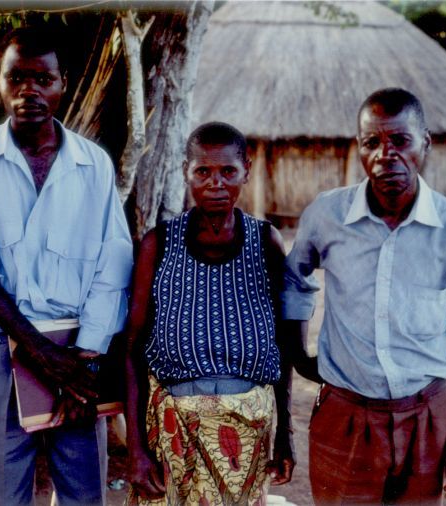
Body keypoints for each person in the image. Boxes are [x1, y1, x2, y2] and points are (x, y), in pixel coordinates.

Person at [0, 27, 132, 505]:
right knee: (7, 493)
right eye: (17, 78)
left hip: (79, 352)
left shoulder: (93, 165)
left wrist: (82, 357)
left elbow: (114, 263)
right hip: (3, 348)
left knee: (85, 491)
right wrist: (40, 352)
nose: (30, 91)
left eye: (42, 79)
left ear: (62, 84)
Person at [284, 88, 446, 505]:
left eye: (400, 141)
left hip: (430, 416)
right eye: (372, 143)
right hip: (346, 417)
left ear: (425, 144)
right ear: (358, 148)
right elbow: (294, 281)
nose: (385, 154)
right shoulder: (326, 216)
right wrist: (298, 353)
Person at [125, 122, 295, 505]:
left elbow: (283, 346)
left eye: (227, 171)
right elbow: (133, 348)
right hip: (174, 431)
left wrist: (285, 436)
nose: (215, 183)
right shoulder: (159, 244)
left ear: (246, 172)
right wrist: (136, 451)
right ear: (186, 172)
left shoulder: (265, 242)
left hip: (247, 434)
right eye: (203, 171)